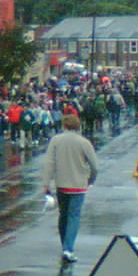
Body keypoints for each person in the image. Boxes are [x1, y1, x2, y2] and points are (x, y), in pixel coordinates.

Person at [41, 113, 99, 263]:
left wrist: (46, 184)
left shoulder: (56, 140)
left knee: (63, 215)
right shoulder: (84, 142)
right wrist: (90, 180)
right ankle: (69, 248)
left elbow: (49, 163)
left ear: (64, 126)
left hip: (61, 184)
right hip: (79, 185)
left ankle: (64, 245)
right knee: (74, 216)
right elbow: (95, 166)